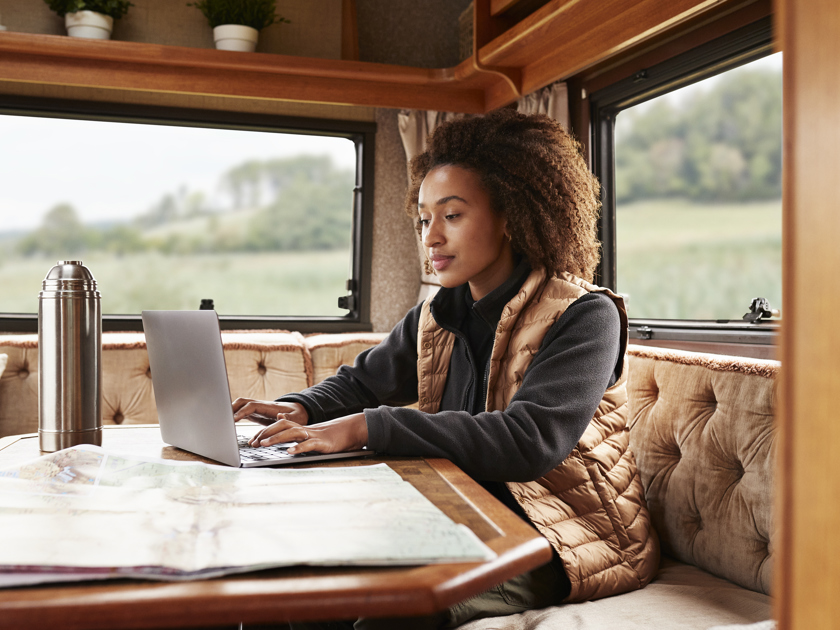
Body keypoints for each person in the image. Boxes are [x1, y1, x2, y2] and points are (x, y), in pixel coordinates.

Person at [233, 109, 659, 629]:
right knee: (300, 588)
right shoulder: (437, 312)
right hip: (464, 512)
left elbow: (529, 441)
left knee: (391, 616)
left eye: (451, 215)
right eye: (423, 219)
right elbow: (365, 380)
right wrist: (302, 405)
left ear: (510, 215)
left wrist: (367, 426)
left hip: (569, 535)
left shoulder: (586, 316)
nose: (430, 237)